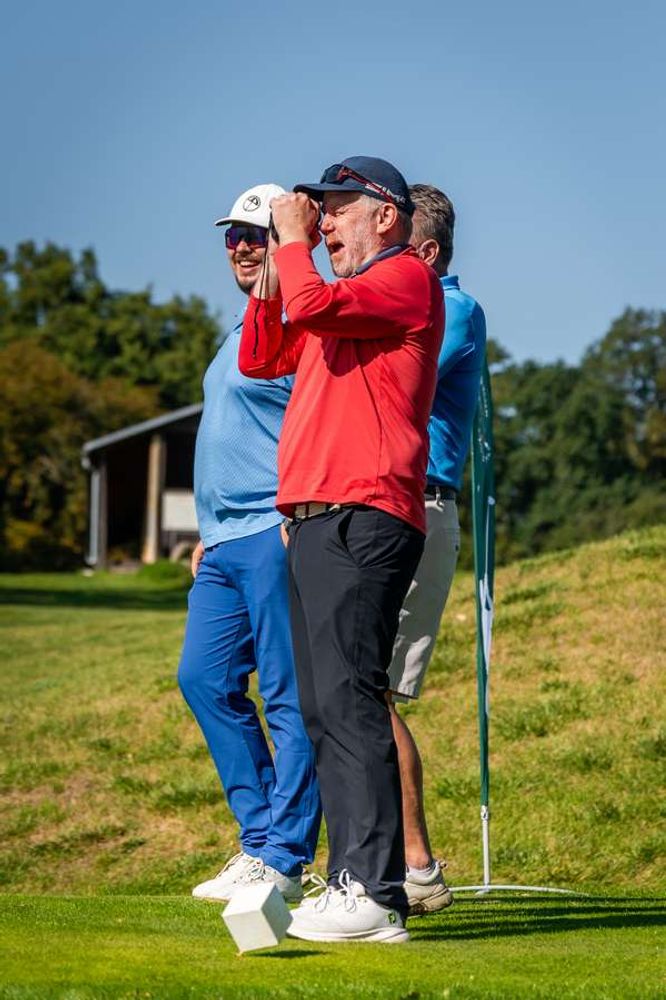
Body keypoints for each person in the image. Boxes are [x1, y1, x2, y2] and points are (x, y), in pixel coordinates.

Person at [238, 157, 444, 943]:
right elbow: (263, 356)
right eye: (317, 211)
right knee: (323, 707)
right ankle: (353, 879)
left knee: (351, 701)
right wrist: (271, 271)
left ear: (385, 216)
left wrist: (294, 249)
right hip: (318, 519)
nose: (322, 222)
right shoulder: (338, 305)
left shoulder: (404, 278)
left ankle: (375, 892)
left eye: (338, 208)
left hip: (365, 512)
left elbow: (313, 302)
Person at [178, 183, 320, 904]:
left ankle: (286, 855)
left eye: (255, 236)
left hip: (274, 530)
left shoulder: (304, 324)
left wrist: (297, 509)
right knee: (202, 679)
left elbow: (316, 425)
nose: (239, 247)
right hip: (222, 542)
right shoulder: (239, 329)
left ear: (285, 242)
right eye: (232, 236)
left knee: (289, 695)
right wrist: (206, 531)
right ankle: (259, 835)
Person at [388, 183, 487, 915]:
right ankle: (383, 861)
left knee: (366, 692)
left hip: (417, 505)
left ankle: (415, 865)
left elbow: (397, 384)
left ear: (424, 252)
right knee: (353, 691)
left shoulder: (455, 310)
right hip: (387, 505)